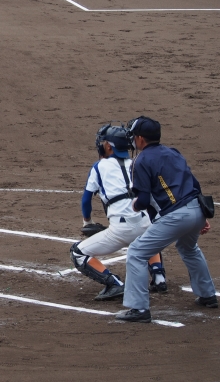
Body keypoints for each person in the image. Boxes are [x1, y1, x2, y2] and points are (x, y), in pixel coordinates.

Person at [116, 116, 217, 323]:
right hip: (197, 209)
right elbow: (194, 185)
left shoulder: (141, 161)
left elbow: (143, 200)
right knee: (189, 248)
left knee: (136, 252)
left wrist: (134, 205)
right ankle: (207, 295)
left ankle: (139, 309)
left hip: (177, 216)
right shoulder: (174, 153)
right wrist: (201, 216)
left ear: (140, 138)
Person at [71, 124, 166, 301]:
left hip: (121, 230)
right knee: (146, 236)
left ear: (108, 146)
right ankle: (159, 277)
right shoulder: (138, 163)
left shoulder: (99, 167)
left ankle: (114, 283)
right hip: (146, 223)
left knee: (78, 252)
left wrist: (87, 222)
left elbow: (86, 200)